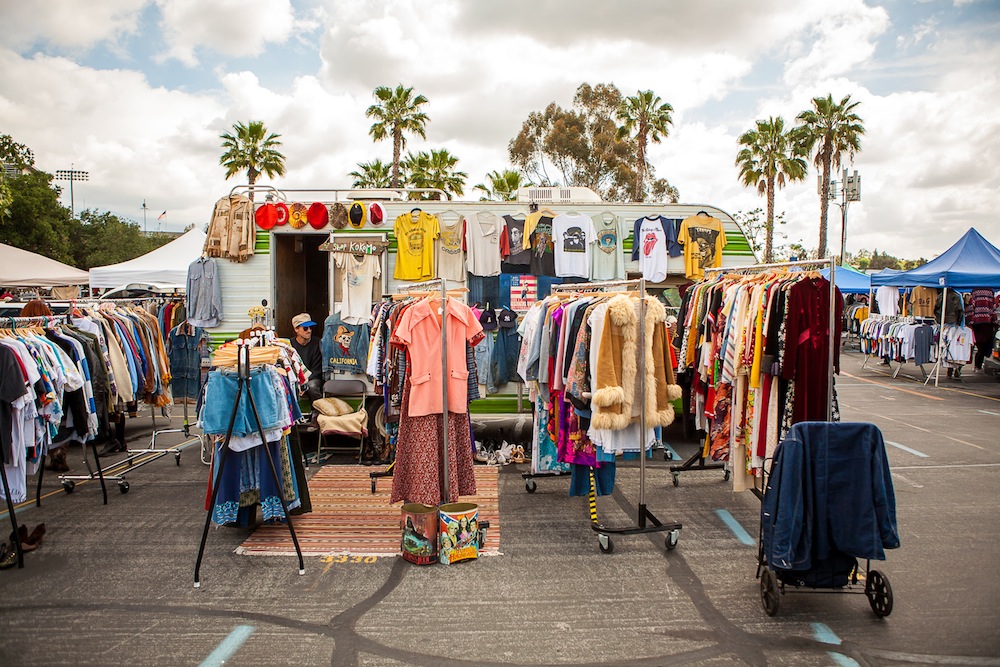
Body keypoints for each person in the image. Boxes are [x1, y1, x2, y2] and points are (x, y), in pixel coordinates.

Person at [290, 313, 323, 401]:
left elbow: (317, 370)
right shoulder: (289, 345)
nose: (309, 330)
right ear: (296, 329)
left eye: (310, 327)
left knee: (311, 386)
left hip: (313, 378)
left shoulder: (317, 343)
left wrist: (303, 383)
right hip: (295, 379)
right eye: (305, 328)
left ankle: (319, 410)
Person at [966, 288, 998, 372]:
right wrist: (995, 321)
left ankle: (977, 365)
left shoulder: (975, 291)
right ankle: (978, 365)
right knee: (985, 343)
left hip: (977, 322)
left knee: (978, 343)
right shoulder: (991, 291)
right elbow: (993, 308)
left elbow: (970, 307)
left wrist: (970, 321)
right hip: (987, 322)